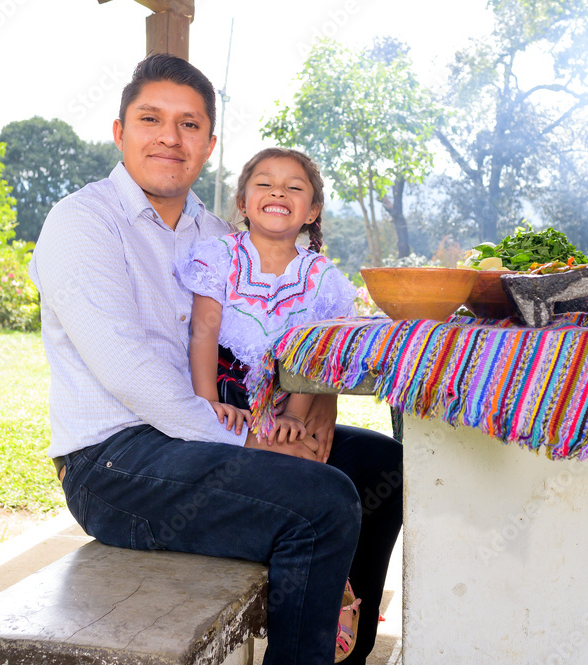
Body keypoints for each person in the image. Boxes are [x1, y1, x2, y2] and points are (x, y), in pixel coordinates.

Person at [28, 53, 402, 664]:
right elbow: (128, 371)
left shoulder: (217, 237)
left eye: (190, 124)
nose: (171, 137)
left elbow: (294, 321)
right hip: (114, 460)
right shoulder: (83, 222)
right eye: (151, 119)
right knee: (324, 503)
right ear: (120, 132)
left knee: (383, 465)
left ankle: (342, 650)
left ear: (209, 143)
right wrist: (251, 443)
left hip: (208, 432)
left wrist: (319, 408)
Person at [181, 147, 358, 454]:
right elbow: (203, 332)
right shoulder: (220, 255)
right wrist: (207, 404)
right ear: (243, 204)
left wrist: (294, 415)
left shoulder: (322, 277)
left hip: (288, 401)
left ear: (312, 211)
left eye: (293, 187)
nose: (278, 193)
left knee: (304, 465)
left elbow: (315, 353)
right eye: (264, 184)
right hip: (225, 399)